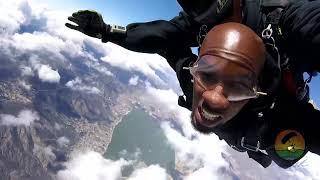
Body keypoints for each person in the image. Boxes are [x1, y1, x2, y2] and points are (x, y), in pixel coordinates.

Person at [65, 0, 320, 168]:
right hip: (238, 119)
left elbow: (310, 22)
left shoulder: (283, 19)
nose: (201, 13)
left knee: (288, 144)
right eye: (192, 3)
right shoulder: (200, 25)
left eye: (205, 3)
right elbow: (163, 36)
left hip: (278, 113)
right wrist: (108, 32)